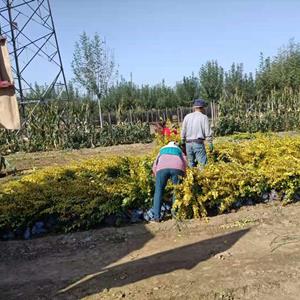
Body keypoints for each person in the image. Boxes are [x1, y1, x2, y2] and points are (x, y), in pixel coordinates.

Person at [150, 141, 187, 222]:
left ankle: (156, 217)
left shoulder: (162, 149)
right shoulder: (179, 150)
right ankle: (175, 215)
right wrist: (184, 174)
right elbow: (185, 162)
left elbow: (155, 164)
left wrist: (157, 176)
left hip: (162, 168)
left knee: (158, 191)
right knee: (176, 191)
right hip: (177, 167)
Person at [181, 99, 213, 168]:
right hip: (198, 143)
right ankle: (202, 177)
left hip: (188, 144)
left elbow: (183, 130)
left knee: (190, 163)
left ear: (194, 107)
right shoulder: (204, 117)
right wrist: (210, 142)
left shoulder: (187, 116)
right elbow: (207, 131)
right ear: (202, 108)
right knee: (202, 164)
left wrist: (182, 140)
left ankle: (191, 178)